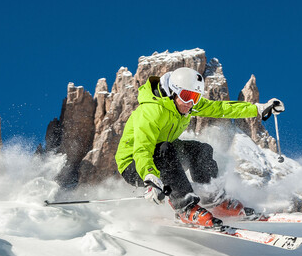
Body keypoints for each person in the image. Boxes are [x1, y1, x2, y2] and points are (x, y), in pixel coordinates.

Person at [115, 67, 284, 227]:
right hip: (134, 165)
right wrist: (150, 176)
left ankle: (213, 200)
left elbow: (220, 108)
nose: (191, 103)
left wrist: (257, 109)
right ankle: (185, 207)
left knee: (201, 150)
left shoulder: (185, 104)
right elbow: (142, 149)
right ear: (172, 91)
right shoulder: (152, 111)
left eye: (195, 97)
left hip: (162, 154)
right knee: (165, 149)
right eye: (187, 96)